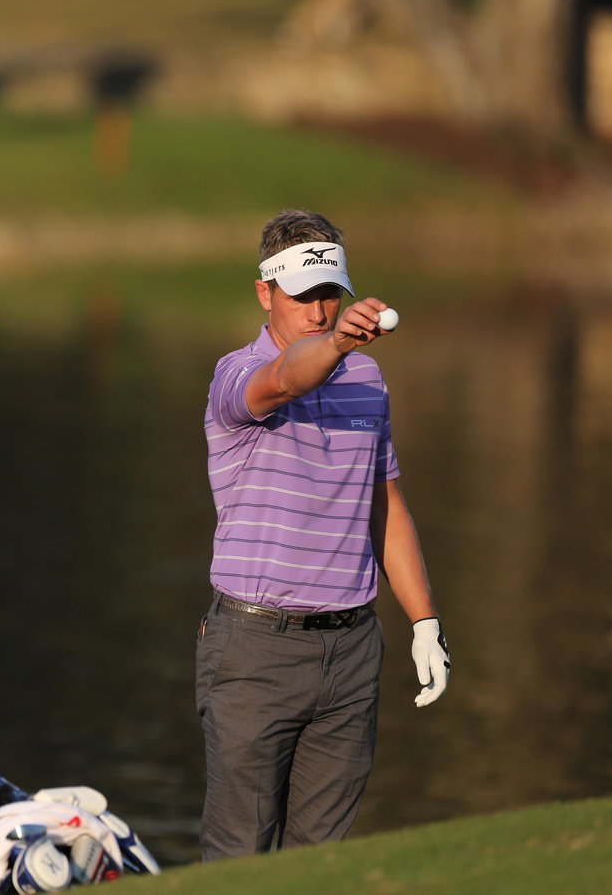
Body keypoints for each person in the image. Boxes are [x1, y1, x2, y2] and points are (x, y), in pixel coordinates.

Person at [195, 210, 451, 859]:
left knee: (319, 866)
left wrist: (425, 623)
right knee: (239, 863)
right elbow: (287, 377)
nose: (318, 311)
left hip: (352, 652)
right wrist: (337, 342)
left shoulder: (367, 380)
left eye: (329, 294)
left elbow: (385, 505)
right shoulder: (236, 376)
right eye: (302, 296)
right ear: (265, 293)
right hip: (256, 651)